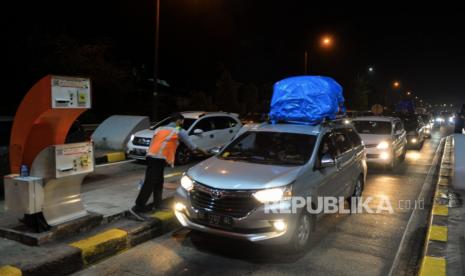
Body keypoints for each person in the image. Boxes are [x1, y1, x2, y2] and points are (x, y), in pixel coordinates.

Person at [129, 113, 206, 221]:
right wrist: (204, 152)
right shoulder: (178, 130)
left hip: (152, 157)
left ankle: (158, 204)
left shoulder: (159, 128)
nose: (182, 124)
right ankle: (138, 208)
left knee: (158, 181)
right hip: (157, 159)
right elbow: (192, 146)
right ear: (179, 121)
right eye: (182, 122)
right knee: (149, 183)